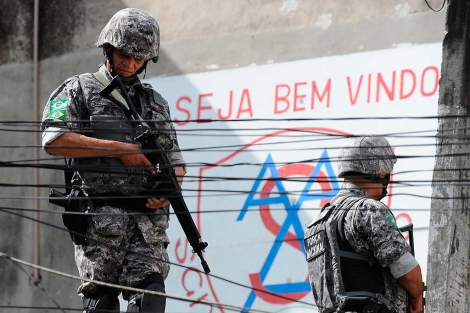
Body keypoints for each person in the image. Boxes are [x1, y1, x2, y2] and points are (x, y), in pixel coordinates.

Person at [41, 8, 186, 313]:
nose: (131, 63)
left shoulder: (155, 102)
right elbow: (54, 140)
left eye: (140, 58)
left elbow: (174, 159)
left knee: (149, 301)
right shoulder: (76, 89)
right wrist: (119, 149)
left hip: (147, 227)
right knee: (101, 305)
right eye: (125, 54)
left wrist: (170, 186)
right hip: (99, 224)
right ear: (108, 48)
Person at [304, 136, 423, 313]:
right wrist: (417, 301)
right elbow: (406, 270)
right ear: (380, 172)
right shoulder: (368, 209)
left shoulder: (316, 224)